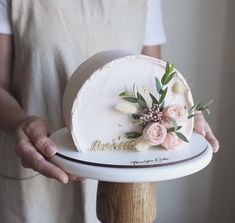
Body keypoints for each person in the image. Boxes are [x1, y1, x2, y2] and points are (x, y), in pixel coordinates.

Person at [0, 0, 219, 222]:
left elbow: (151, 77)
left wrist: (180, 112)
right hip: (36, 167)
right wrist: (21, 122)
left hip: (122, 190)